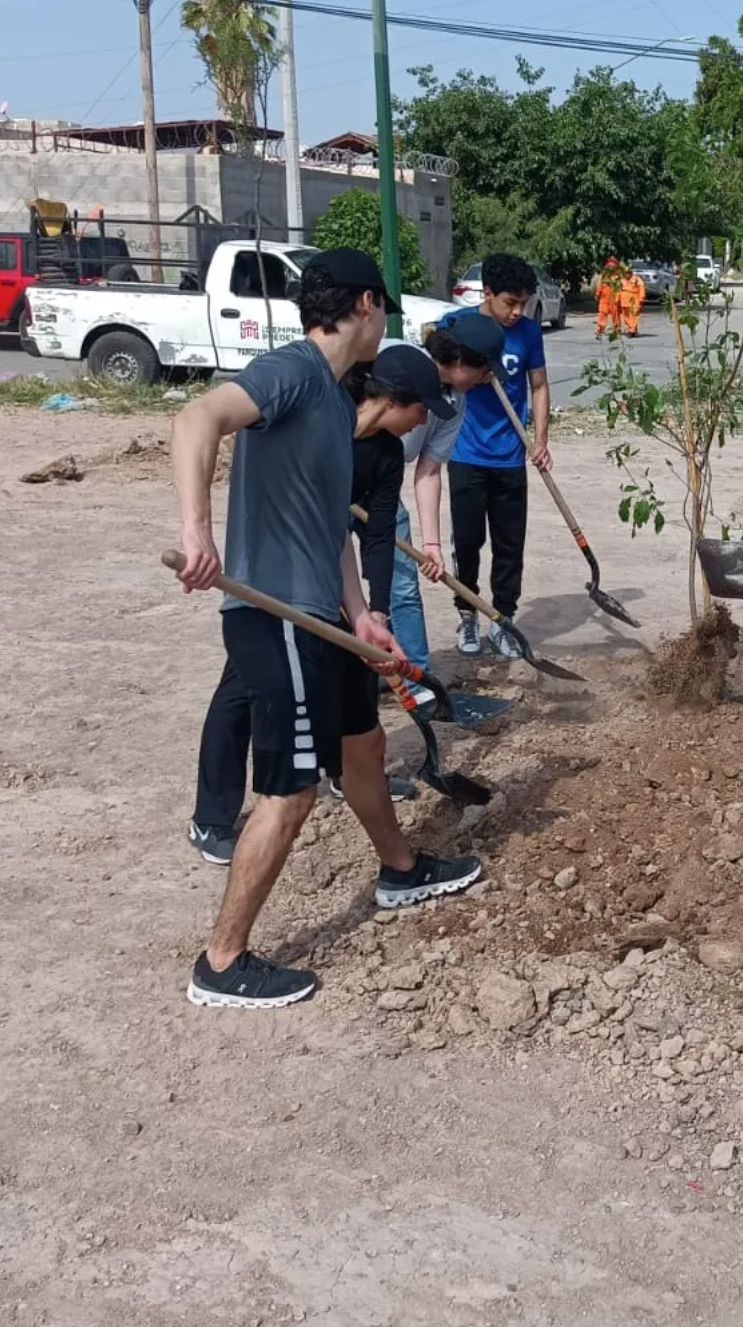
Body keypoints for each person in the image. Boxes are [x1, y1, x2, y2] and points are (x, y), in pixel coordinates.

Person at [171, 249, 482, 1009]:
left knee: (366, 746)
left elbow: (332, 531)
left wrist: (362, 615)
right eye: (388, 312)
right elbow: (196, 417)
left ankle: (400, 870)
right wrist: (196, 532)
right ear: (368, 304)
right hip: (272, 617)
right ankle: (222, 961)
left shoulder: (340, 401)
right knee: (291, 792)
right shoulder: (294, 371)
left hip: (323, 615)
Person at [387, 316, 505, 674]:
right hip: (332, 486)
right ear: (458, 361)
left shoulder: (456, 401)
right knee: (335, 593)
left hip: (382, 493)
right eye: (484, 368)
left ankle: (418, 678)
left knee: (403, 586)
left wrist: (432, 544)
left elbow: (429, 470)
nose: (489, 377)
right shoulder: (396, 361)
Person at [445, 253, 549, 659]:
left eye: (523, 302)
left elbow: (538, 386)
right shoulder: (459, 327)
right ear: (487, 293)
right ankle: (467, 614)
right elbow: (442, 379)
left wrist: (540, 440)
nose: (517, 311)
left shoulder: (527, 333)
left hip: (510, 455)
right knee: (468, 542)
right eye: (510, 302)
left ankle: (503, 619)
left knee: (510, 545)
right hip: (466, 454)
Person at [595, 257, 626, 337]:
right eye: (609, 266)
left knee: (615, 315)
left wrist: (620, 298)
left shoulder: (619, 276)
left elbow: (622, 288)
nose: (611, 267)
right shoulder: (604, 275)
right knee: (602, 314)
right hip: (604, 298)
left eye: (612, 266)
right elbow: (600, 286)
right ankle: (600, 329)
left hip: (614, 298)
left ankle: (617, 329)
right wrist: (598, 294)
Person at [620, 264, 647, 338]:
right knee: (626, 317)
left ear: (631, 272)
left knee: (633, 315)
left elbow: (641, 288)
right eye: (625, 273)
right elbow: (617, 290)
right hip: (624, 301)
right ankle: (633, 329)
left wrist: (642, 298)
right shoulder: (621, 280)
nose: (626, 274)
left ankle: (631, 331)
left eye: (628, 272)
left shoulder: (637, 279)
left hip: (634, 300)